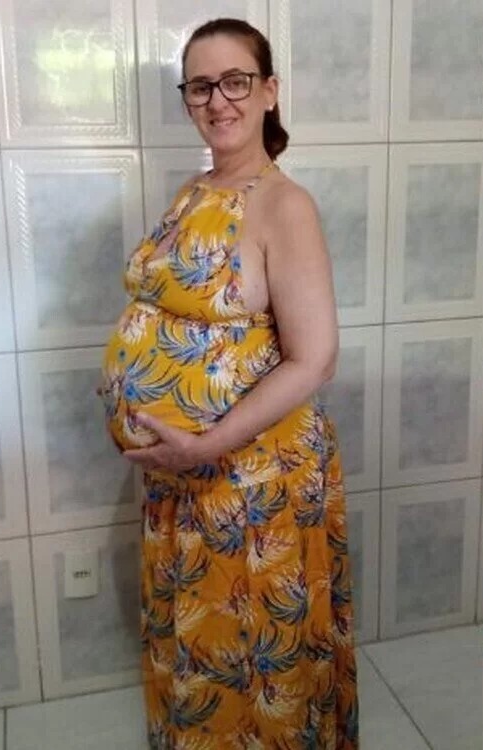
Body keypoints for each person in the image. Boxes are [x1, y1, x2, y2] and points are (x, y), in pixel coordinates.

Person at [100, 17, 359, 750]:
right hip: (185, 479)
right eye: (200, 86)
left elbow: (315, 359)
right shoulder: (195, 190)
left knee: (256, 663)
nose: (218, 100)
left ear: (269, 91)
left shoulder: (283, 204)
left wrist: (204, 444)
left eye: (236, 81)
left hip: (251, 482)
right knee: (200, 653)